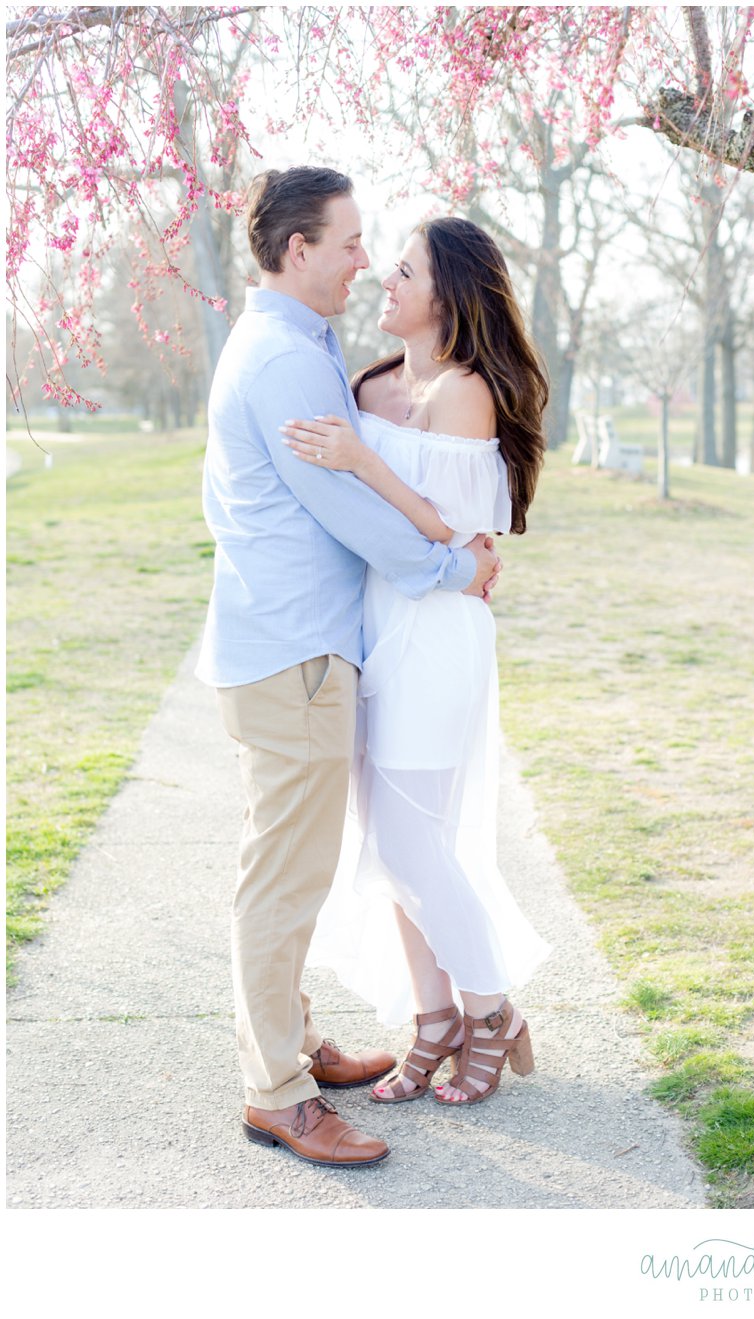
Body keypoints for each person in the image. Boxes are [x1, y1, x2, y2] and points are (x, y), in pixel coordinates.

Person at [198, 167, 501, 1167]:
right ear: (299, 251)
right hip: (293, 654)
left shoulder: (298, 344)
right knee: (284, 877)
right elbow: (346, 511)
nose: (362, 259)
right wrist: (454, 566)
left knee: (294, 866)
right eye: (349, 241)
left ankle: (289, 1042)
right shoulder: (286, 360)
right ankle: (277, 1089)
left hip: (298, 650)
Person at [289, 217, 550, 1106]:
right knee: (390, 842)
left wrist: (364, 458)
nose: (384, 280)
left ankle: (489, 1012)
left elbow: (449, 528)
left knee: (412, 840)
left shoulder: (464, 393)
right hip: (370, 625)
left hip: (437, 631)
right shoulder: (367, 383)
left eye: (403, 269)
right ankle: (431, 1019)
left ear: (449, 294)